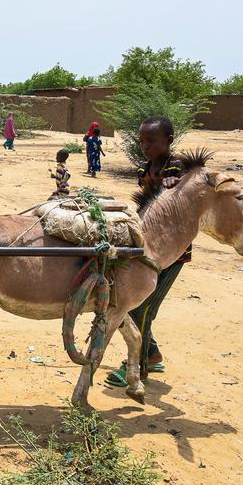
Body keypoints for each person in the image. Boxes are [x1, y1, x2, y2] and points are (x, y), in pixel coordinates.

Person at [105, 115, 189, 388]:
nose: (145, 146)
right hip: (148, 246)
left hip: (173, 252)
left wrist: (174, 188)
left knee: (142, 309)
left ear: (169, 140)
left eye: (151, 140)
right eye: (142, 141)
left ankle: (136, 367)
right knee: (134, 304)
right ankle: (151, 354)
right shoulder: (144, 169)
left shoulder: (177, 167)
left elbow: (185, 196)